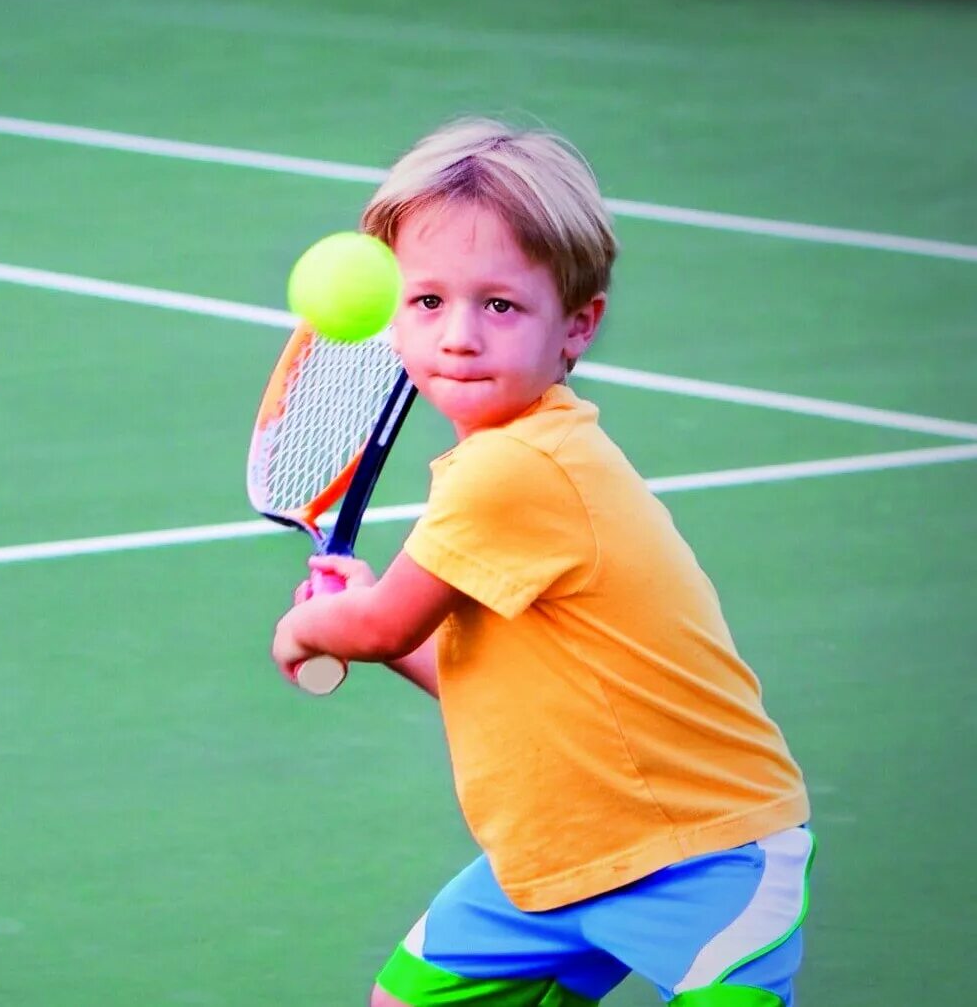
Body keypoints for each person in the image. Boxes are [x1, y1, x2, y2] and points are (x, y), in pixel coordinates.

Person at [269, 118, 813, 1007]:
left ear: (577, 326)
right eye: (427, 301)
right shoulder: (513, 460)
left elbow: (379, 628)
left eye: (499, 304)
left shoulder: (514, 469)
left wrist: (319, 623)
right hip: (554, 859)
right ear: (389, 316)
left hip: (702, 847)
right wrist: (370, 611)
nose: (457, 337)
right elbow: (479, 676)